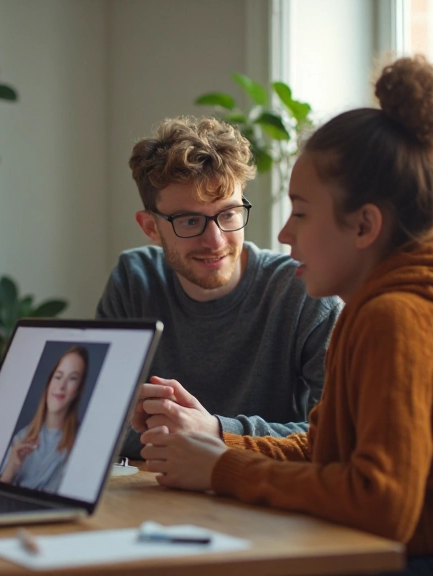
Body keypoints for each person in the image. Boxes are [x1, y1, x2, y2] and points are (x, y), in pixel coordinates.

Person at [140, 56, 433, 576]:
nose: (284, 233)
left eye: (301, 211)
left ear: (364, 226)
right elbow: (327, 451)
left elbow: (381, 502)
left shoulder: (399, 319)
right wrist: (217, 444)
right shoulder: (378, 307)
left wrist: (224, 468)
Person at [97, 116, 341, 459]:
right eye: (190, 221)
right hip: (153, 484)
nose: (215, 241)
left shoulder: (301, 292)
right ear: (150, 227)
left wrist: (214, 430)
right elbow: (95, 421)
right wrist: (181, 431)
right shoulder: (134, 281)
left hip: (260, 487)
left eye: (228, 214)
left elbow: (336, 435)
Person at [0, 346, 88, 491]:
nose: (61, 386)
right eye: (58, 376)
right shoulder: (22, 437)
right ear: (49, 382)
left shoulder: (81, 445)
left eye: (72, 378)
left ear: (78, 390)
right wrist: (10, 471)